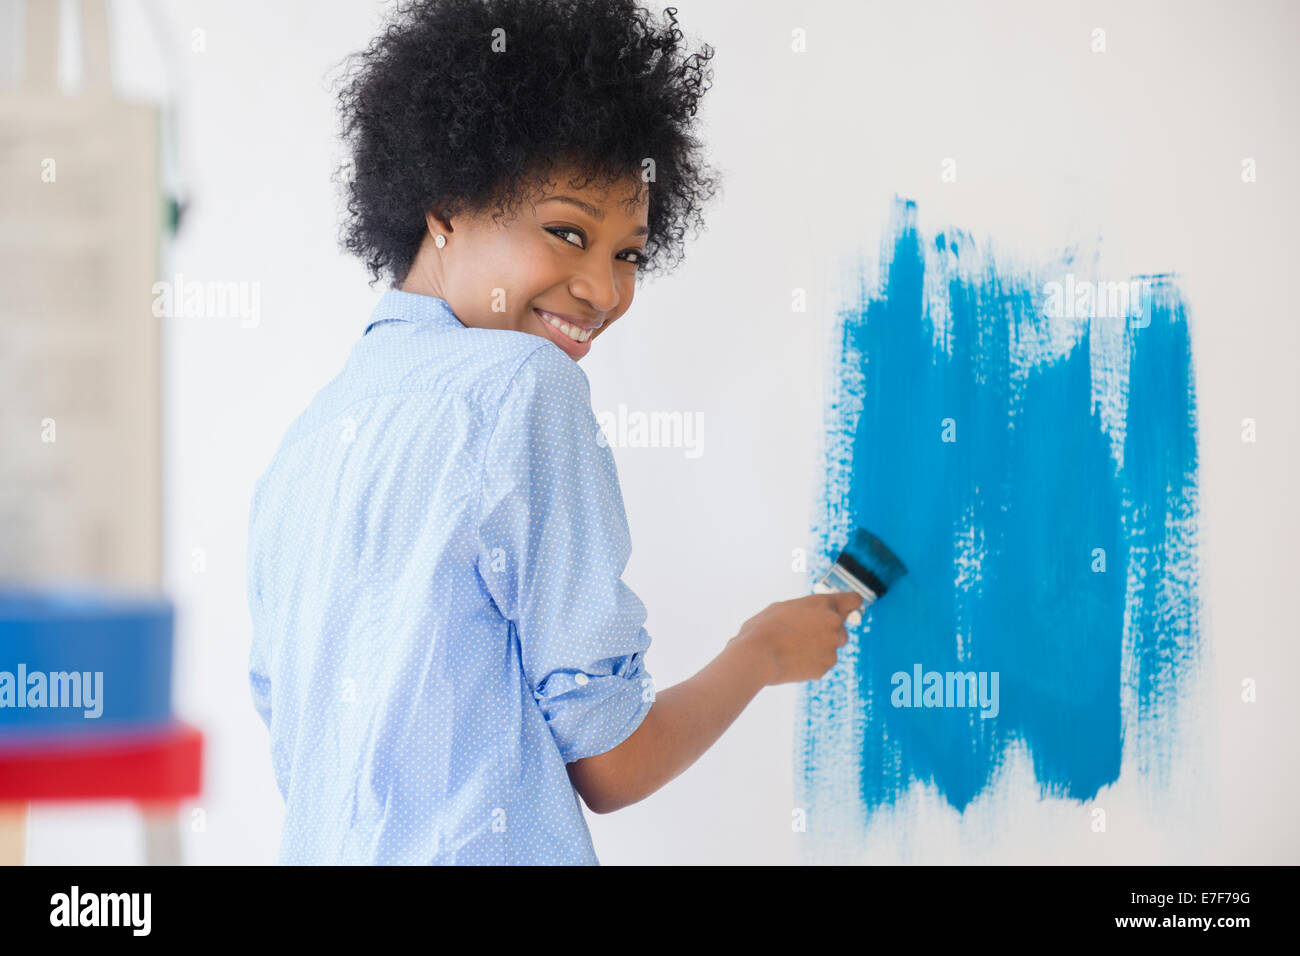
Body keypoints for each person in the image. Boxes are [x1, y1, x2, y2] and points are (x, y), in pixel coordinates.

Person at [245, 0, 861, 864]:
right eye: (567, 232)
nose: (603, 290)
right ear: (447, 207)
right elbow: (611, 765)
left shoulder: (309, 441)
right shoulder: (522, 387)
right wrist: (760, 651)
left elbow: (301, 745)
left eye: (628, 253)